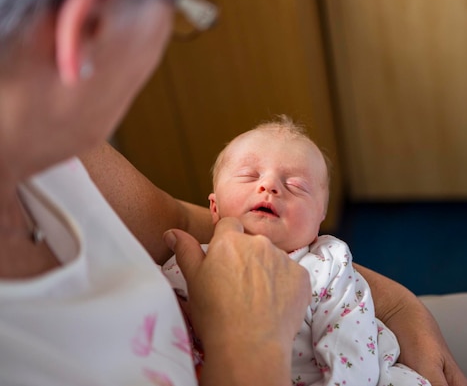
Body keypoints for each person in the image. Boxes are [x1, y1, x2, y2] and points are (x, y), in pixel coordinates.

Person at [0, 0, 467, 385]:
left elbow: (174, 220)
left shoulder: (64, 160)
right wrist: (246, 344)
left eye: (296, 185)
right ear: (86, 29)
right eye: (181, 7)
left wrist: (397, 307)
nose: (269, 188)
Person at [162, 116, 431, 386]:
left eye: (296, 186)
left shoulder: (329, 266)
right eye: (248, 176)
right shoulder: (187, 266)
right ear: (214, 208)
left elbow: (350, 349)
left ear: (319, 220)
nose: (269, 186)